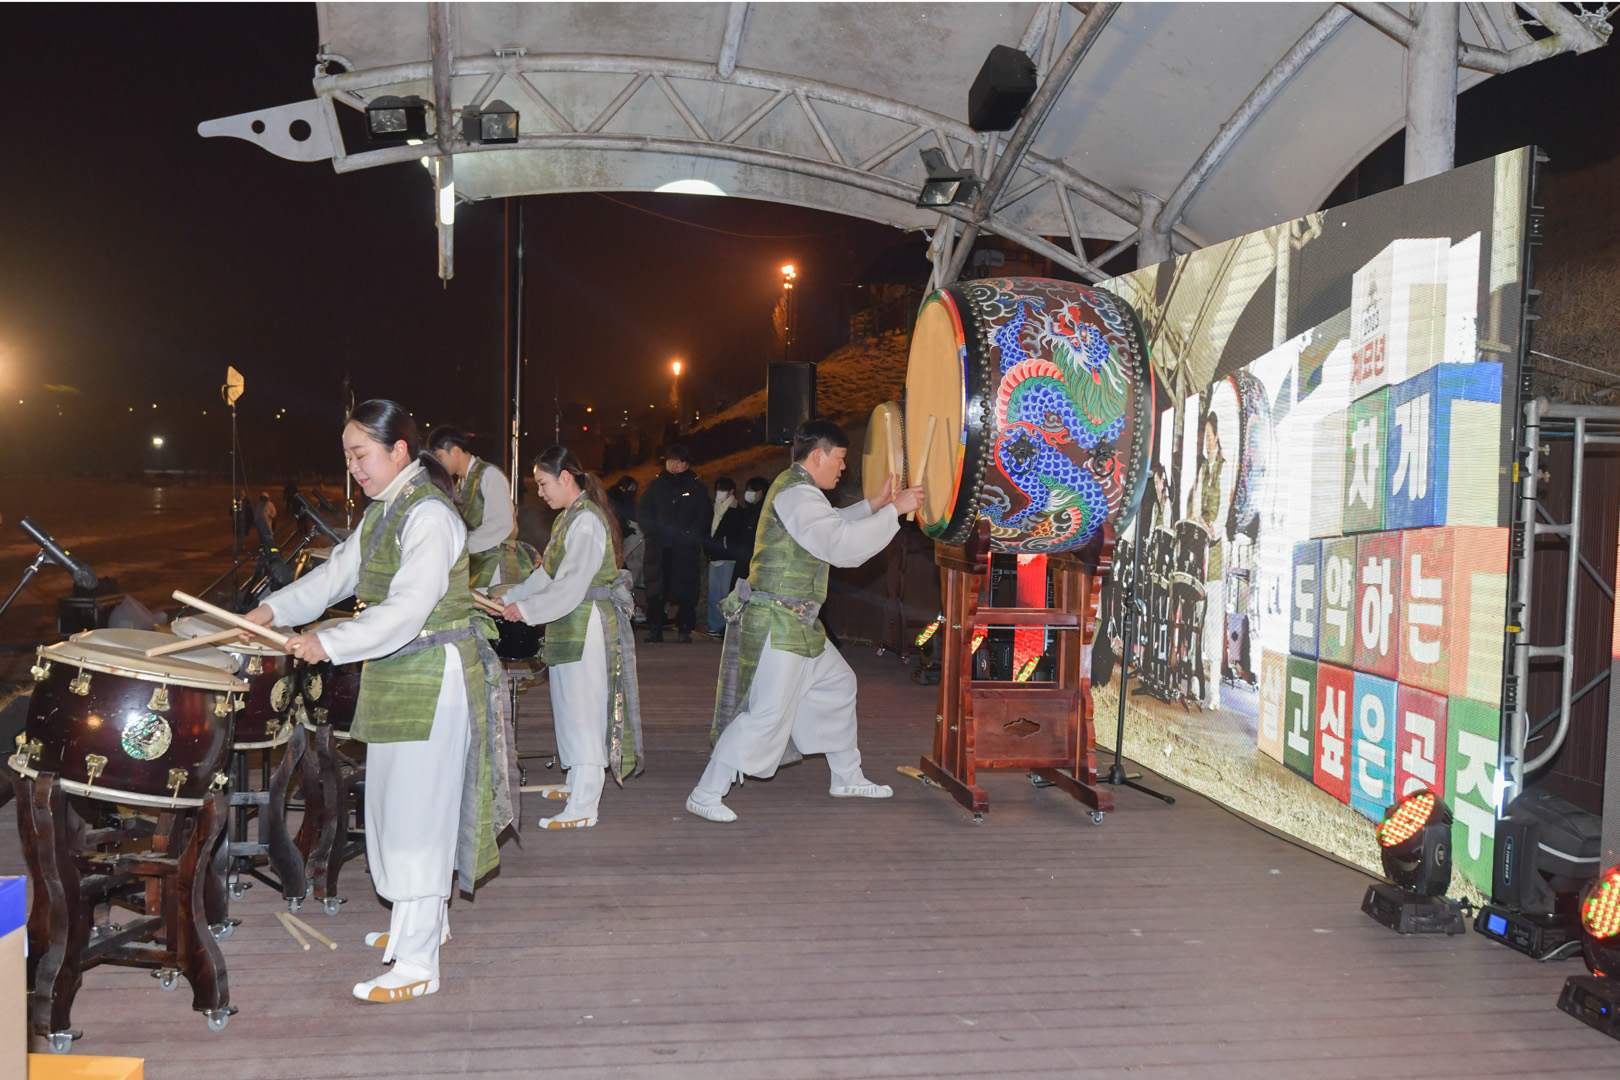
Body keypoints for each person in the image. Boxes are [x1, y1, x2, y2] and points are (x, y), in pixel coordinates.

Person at [246, 399, 514, 1004]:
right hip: (401, 671)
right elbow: (336, 575)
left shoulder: (431, 516)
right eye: (347, 458)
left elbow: (407, 608)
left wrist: (328, 642)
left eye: (360, 455)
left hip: (433, 675)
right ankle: (424, 926)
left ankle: (418, 963)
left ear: (398, 451)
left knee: (417, 817)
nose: (354, 469)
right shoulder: (386, 510)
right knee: (398, 808)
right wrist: (271, 611)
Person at [686, 420, 924, 823]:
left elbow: (830, 524)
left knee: (838, 683)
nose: (843, 467)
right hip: (781, 621)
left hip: (795, 620)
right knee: (767, 713)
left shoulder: (798, 490)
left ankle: (846, 776)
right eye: (840, 459)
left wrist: (876, 506)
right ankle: (705, 792)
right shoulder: (797, 493)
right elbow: (838, 543)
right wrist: (894, 511)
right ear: (818, 455)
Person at [498, 446, 643, 829]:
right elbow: (546, 576)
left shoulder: (587, 520)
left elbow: (573, 583)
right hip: (569, 621)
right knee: (570, 707)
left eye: (543, 483)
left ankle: (584, 807)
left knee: (584, 711)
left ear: (565, 478)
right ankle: (578, 784)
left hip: (587, 623)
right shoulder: (569, 518)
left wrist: (526, 609)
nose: (540, 492)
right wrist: (509, 599)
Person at [426, 425, 535, 588]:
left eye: (440, 457)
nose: (439, 464)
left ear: (455, 451)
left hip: (495, 565)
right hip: (478, 564)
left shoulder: (489, 474)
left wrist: (461, 547)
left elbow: (501, 524)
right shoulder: (461, 484)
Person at [638, 445, 708, 643]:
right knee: (656, 589)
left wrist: (691, 534)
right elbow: (644, 512)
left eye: (678, 462)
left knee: (686, 589)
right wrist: (652, 532)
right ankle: (655, 627)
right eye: (670, 461)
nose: (674, 465)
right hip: (659, 548)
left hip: (685, 549)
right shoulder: (655, 486)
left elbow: (704, 515)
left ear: (686, 464)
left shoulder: (696, 487)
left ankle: (684, 628)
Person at [705, 477, 739, 634]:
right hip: (713, 555)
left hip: (728, 557)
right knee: (713, 594)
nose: (720, 493)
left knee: (726, 594)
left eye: (723, 490)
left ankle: (726, 626)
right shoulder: (712, 509)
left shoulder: (736, 509)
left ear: (731, 492)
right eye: (718, 489)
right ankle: (714, 625)